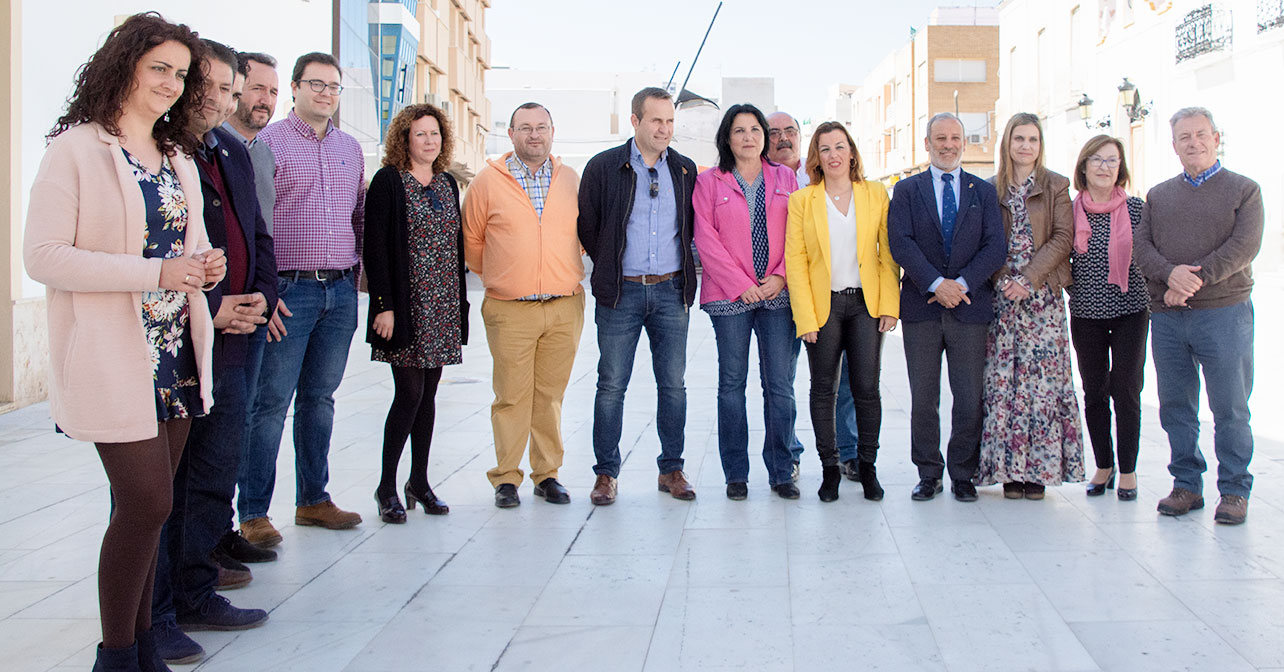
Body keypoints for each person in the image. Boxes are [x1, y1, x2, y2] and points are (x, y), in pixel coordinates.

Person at [23, 13, 227, 671]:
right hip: (116, 353)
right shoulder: (76, 149)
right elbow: (44, 256)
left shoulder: (176, 159)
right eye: (160, 68)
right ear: (125, 66)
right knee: (146, 502)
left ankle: (141, 649)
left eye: (181, 73)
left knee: (152, 512)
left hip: (176, 351)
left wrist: (204, 263)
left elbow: (182, 246)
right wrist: (157, 272)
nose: (172, 83)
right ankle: (115, 656)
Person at [148, 39, 276, 665]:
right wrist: (217, 304)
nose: (221, 99)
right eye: (215, 87)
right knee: (165, 485)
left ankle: (198, 592)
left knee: (213, 473)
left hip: (241, 339)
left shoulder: (230, 150)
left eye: (231, 88)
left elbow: (257, 235)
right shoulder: (163, 154)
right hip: (189, 336)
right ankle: (158, 610)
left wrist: (262, 297)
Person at [240, 52, 366, 546]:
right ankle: (252, 512)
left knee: (320, 399)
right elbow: (255, 226)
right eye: (316, 84)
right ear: (294, 88)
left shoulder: (350, 150)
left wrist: (354, 282)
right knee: (270, 403)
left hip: (338, 290)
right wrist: (265, 292)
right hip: (289, 291)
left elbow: (357, 218)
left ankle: (313, 499)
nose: (326, 94)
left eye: (334, 86)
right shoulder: (266, 144)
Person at [1134, 107, 1262, 525]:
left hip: (1223, 314)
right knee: (1175, 406)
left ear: (1216, 138)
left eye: (1201, 134)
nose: (1194, 142)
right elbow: (1143, 248)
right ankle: (1187, 484)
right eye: (1184, 137)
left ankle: (1234, 491)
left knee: (1229, 407)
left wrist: (1192, 280)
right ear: (1174, 146)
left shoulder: (1244, 190)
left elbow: (1242, 248)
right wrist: (1169, 275)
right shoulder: (1159, 196)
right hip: (1169, 317)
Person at [579, 87, 700, 505]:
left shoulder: (684, 170)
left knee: (673, 386)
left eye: (669, 121)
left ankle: (672, 469)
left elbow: (691, 229)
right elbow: (589, 227)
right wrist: (611, 268)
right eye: (656, 121)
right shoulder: (603, 167)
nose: (664, 129)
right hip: (621, 295)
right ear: (635, 121)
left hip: (670, 292)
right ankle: (606, 475)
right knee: (611, 385)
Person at [462, 102, 584, 508]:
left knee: (549, 395)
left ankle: (547, 474)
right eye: (525, 128)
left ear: (553, 131)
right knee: (512, 395)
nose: (534, 135)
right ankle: (506, 478)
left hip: (564, 305)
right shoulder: (486, 182)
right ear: (511, 133)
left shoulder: (571, 179)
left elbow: (584, 233)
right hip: (509, 307)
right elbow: (473, 243)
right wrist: (505, 275)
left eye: (542, 127)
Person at [888, 112, 1006, 503]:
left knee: (969, 395)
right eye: (940, 138)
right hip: (922, 307)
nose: (948, 144)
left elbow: (995, 247)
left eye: (955, 138)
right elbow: (901, 242)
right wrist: (938, 284)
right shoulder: (906, 191)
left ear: (964, 144)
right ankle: (928, 472)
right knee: (924, 398)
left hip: (970, 308)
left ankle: (963, 473)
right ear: (927, 143)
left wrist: (961, 285)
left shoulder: (983, 191)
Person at [786, 121, 900, 502]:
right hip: (825, 307)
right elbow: (796, 261)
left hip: (866, 305)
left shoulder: (875, 194)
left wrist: (889, 305)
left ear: (851, 151)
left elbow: (887, 256)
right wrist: (805, 317)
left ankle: (867, 466)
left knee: (867, 388)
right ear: (816, 157)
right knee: (823, 390)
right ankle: (830, 469)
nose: (833, 155)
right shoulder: (803, 201)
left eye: (840, 146)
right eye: (825, 148)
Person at [367, 103, 469, 520]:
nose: (429, 141)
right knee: (407, 393)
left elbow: (455, 248)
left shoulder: (447, 184)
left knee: (428, 395)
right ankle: (386, 486)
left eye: (435, 134)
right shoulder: (388, 182)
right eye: (421, 134)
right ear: (405, 139)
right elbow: (374, 248)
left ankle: (419, 481)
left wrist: (459, 306)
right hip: (406, 307)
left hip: (441, 303)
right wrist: (384, 306)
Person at [693, 104, 800, 500]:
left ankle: (780, 471)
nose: (749, 137)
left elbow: (800, 234)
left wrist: (780, 276)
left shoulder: (786, 177)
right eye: (740, 131)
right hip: (729, 297)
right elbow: (705, 239)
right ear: (728, 137)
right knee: (731, 385)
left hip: (778, 295)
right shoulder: (710, 182)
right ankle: (735, 473)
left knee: (779, 386)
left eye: (756, 130)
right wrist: (742, 285)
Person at [976, 113, 1084, 500]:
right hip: (1003, 301)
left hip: (1043, 299)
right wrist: (1004, 279)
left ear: (1041, 145)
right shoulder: (990, 189)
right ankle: (1009, 471)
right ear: (1007, 143)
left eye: (1033, 139)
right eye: (1018, 138)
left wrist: (1029, 279)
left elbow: (1062, 237)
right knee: (1004, 383)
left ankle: (1037, 471)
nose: (1025, 146)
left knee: (1042, 385)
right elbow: (986, 241)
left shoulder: (1056, 185)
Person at [214, 50, 283, 566]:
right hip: (210, 310)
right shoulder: (205, 150)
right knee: (219, 427)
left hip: (254, 305)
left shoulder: (251, 153)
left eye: (269, 92)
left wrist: (267, 293)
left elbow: (261, 234)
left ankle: (223, 530)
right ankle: (211, 536)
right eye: (255, 88)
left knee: (236, 419)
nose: (261, 100)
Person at [1068, 135, 1149, 501]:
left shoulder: (1136, 210)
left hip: (1132, 310)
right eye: (1096, 159)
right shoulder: (1068, 212)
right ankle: (1104, 465)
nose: (1104, 166)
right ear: (1083, 167)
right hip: (1086, 312)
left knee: (1127, 389)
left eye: (1112, 160)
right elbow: (1059, 258)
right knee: (1095, 390)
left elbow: (1148, 256)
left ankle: (1128, 469)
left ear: (1121, 168)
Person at [766, 111, 823, 482]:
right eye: (774, 133)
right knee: (782, 381)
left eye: (790, 131)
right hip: (779, 294)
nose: (782, 138)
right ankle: (790, 454)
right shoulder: (758, 178)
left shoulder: (820, 174)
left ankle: (847, 452)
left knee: (840, 378)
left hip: (822, 292)